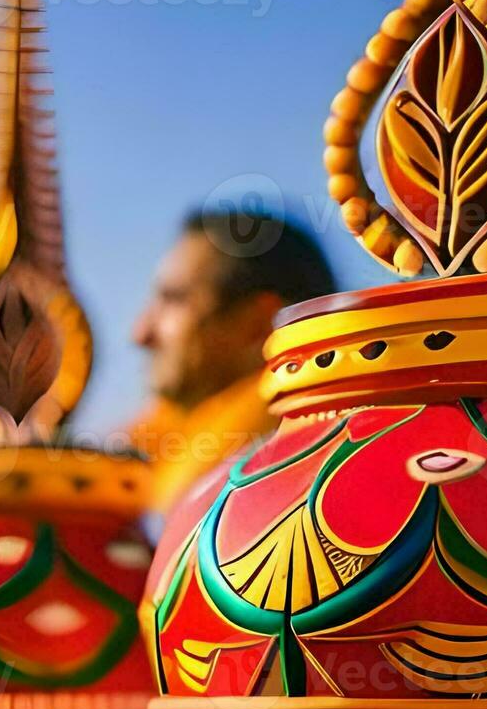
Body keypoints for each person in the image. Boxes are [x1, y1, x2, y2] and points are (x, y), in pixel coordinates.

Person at [127, 209, 337, 514]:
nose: (140, 333)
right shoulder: (169, 431)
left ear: (257, 325)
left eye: (173, 300)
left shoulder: (280, 468)